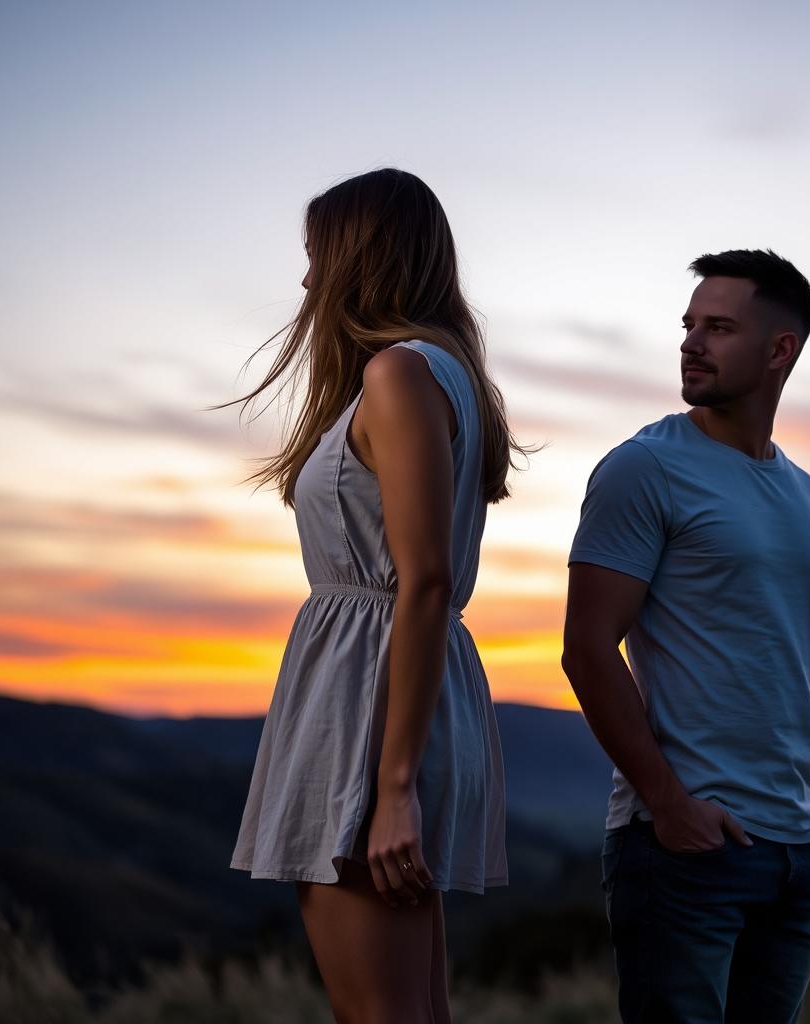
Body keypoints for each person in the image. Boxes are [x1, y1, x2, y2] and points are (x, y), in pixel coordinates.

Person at [225, 169, 519, 1024]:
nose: (310, 281)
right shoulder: (436, 374)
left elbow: (423, 580)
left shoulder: (399, 374)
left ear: (363, 259)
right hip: (383, 691)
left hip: (371, 700)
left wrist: (392, 788)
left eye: (319, 258)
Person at [562, 249, 810, 1023]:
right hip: (689, 851)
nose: (692, 343)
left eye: (718, 327)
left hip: (797, 853)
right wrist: (669, 805)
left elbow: (797, 656)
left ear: (779, 349)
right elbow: (587, 650)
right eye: (689, 326)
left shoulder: (806, 493)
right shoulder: (643, 469)